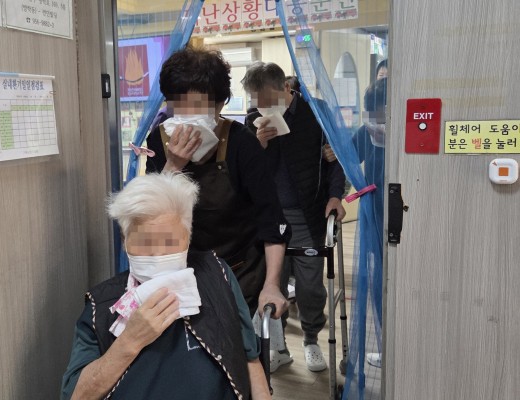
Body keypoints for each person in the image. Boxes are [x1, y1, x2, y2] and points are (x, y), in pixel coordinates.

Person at [61, 173, 271, 400]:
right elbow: (76, 396)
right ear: (124, 241)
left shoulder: (217, 274)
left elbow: (250, 358)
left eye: (170, 242)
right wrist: (130, 340)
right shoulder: (101, 306)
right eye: (145, 243)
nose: (158, 255)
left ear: (188, 238)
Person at [146, 47, 291, 319]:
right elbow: (150, 216)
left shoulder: (242, 143)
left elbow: (272, 220)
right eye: (178, 106)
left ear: (220, 104)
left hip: (239, 274)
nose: (187, 116)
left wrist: (272, 285)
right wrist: (173, 166)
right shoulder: (159, 140)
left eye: (197, 108)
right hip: (180, 273)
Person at [242, 62, 346, 373]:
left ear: (286, 88)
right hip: (269, 215)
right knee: (271, 283)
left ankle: (312, 340)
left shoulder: (317, 111)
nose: (263, 107)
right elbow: (248, 172)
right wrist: (258, 144)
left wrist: (335, 195)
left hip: (308, 212)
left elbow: (337, 158)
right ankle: (279, 347)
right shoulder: (253, 119)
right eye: (257, 101)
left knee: (310, 286)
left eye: (268, 99)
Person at [353, 77, 388, 369]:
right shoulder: (367, 133)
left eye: (382, 114)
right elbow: (346, 156)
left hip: (403, 216)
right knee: (379, 280)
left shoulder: (406, 134)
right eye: (373, 114)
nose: (377, 122)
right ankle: (387, 343)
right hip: (375, 216)